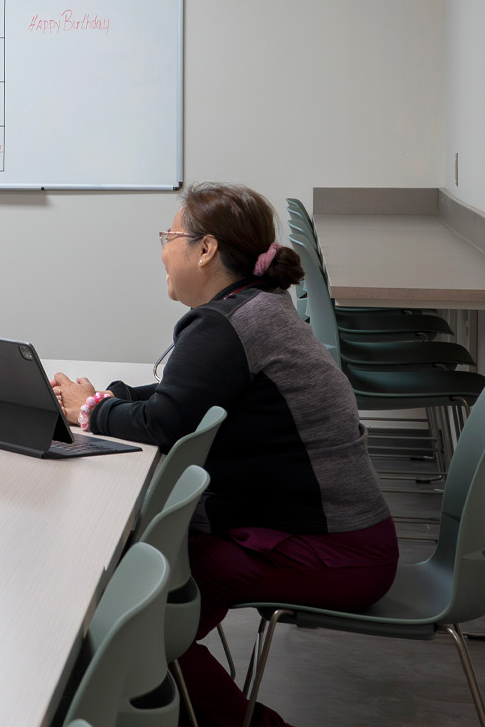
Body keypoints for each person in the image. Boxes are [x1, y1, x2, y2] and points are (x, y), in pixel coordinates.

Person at [52, 183, 397, 727]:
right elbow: (183, 398)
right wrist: (108, 401)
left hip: (334, 554)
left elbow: (166, 422)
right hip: (342, 540)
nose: (164, 249)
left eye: (170, 237)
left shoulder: (228, 324)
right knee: (147, 589)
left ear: (206, 249)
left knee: (136, 609)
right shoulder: (255, 308)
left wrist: (93, 409)